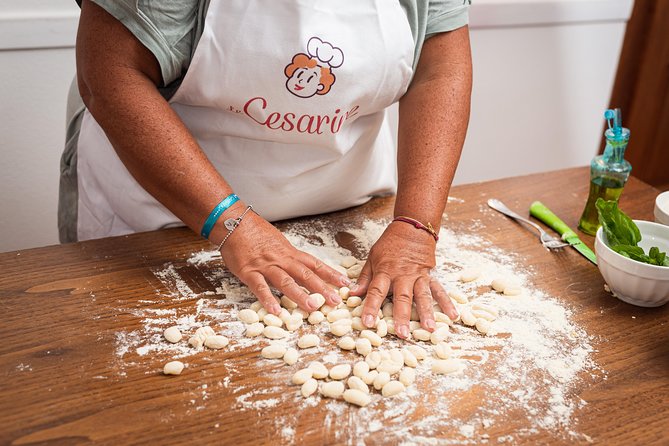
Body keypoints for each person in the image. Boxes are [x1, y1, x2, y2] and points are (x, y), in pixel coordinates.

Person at [59, 0, 472, 339]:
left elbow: (440, 71)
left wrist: (416, 226)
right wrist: (232, 221)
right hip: (166, 217)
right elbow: (112, 74)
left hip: (344, 203)